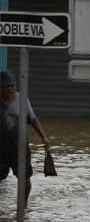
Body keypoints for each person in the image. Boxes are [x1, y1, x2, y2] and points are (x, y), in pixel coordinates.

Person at [0, 70, 51, 204]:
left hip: (19, 147)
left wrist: (43, 137)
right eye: (7, 86)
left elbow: (33, 120)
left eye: (13, 85)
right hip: (1, 149)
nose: (11, 89)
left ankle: (22, 208)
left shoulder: (21, 99)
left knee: (25, 180)